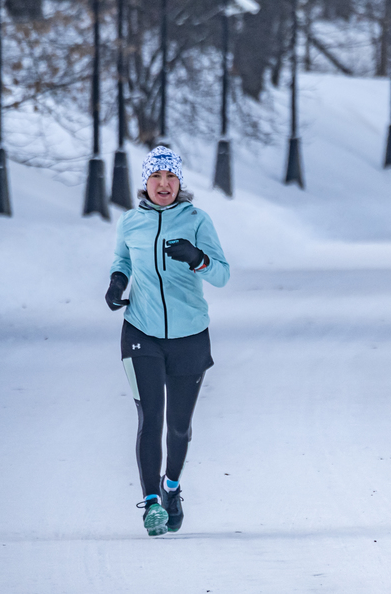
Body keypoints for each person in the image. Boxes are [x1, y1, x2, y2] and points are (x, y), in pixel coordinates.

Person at [105, 146, 230, 537]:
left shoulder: (196, 220)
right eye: (156, 177)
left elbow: (222, 275)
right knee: (150, 419)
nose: (163, 185)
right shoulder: (130, 222)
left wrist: (197, 258)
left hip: (189, 335)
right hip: (140, 331)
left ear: (180, 182)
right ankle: (152, 504)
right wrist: (116, 283)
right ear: (145, 182)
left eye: (170, 177)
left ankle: (171, 486)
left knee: (178, 427)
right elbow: (122, 261)